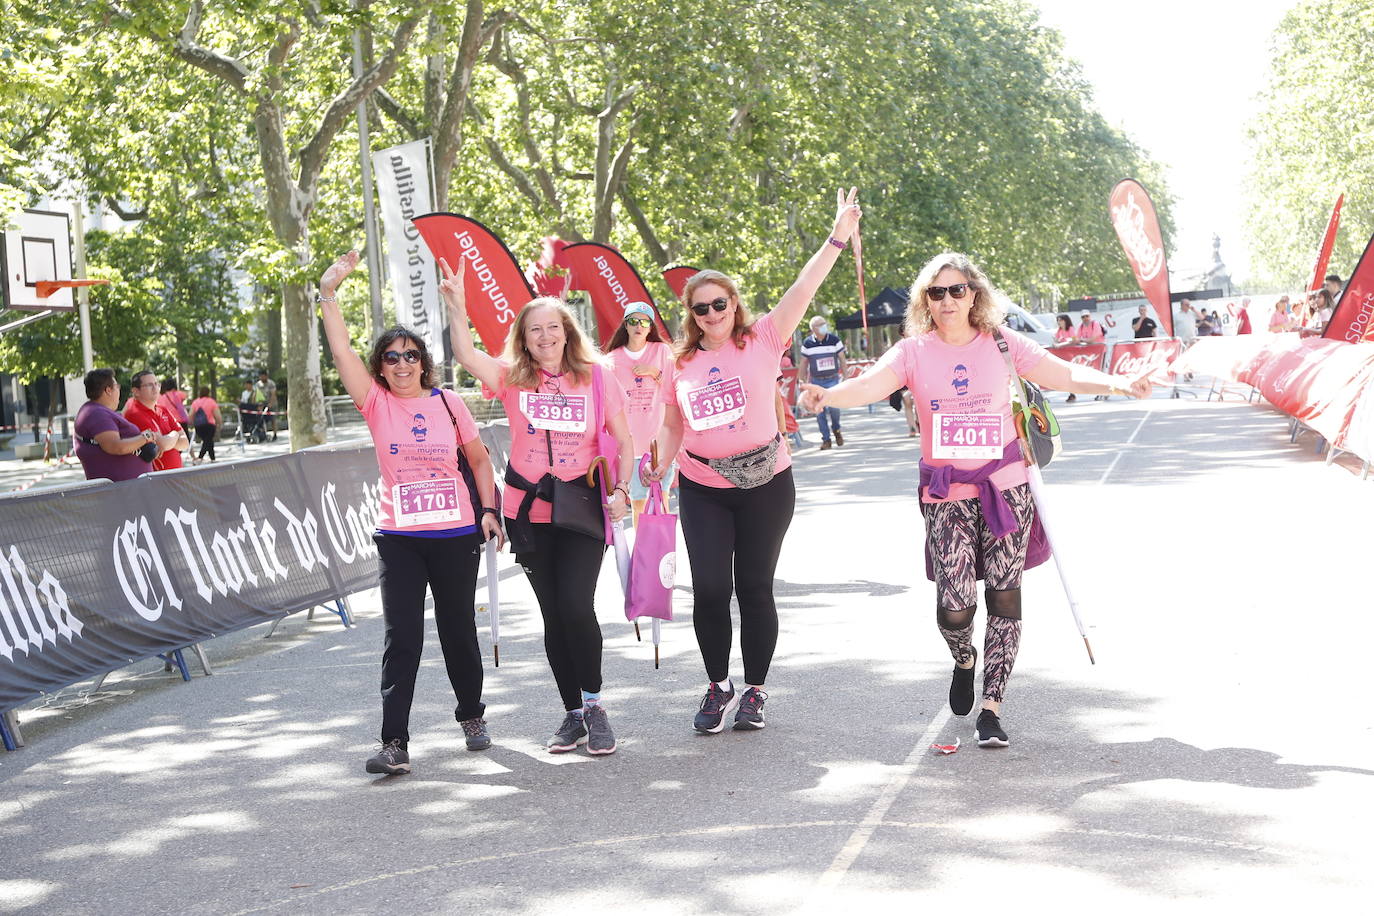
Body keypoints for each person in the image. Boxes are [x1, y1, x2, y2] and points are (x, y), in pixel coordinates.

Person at [801, 251, 1149, 748]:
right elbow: (869, 385)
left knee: (1005, 595)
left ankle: (992, 705)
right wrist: (828, 396)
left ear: (974, 294)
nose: (946, 300)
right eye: (935, 292)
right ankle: (964, 658)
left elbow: (1063, 375)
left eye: (956, 290)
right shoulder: (913, 351)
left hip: (1006, 489)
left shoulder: (1004, 344)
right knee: (956, 604)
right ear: (925, 300)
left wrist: (1120, 382)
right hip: (946, 494)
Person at [648, 188, 862, 735]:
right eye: (702, 307)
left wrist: (839, 233)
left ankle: (755, 692)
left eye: (721, 304)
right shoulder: (680, 361)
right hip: (701, 485)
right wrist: (658, 467)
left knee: (754, 589)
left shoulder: (764, 336)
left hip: (767, 481)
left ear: (734, 306)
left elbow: (805, 286)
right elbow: (673, 424)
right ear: (691, 315)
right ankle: (718, 685)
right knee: (712, 588)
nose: (713, 313)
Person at [319, 251, 503, 777]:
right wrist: (329, 294)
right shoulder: (376, 403)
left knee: (457, 630)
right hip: (399, 536)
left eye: (411, 356)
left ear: (423, 362)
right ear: (381, 367)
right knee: (403, 637)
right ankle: (394, 742)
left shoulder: (448, 403)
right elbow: (340, 353)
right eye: (392, 357)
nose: (402, 364)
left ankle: (472, 715)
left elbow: (479, 459)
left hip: (455, 533)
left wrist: (489, 511)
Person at [441, 256, 633, 758]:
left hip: (581, 504)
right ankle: (572, 713)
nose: (545, 336)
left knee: (576, 605)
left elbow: (623, 439)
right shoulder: (511, 377)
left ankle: (595, 706)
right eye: (534, 330)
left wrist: (620, 490)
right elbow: (464, 354)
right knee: (553, 613)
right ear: (523, 340)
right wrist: (458, 307)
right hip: (527, 510)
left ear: (567, 333)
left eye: (553, 327)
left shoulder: (596, 376)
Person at [605, 301, 674, 521]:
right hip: (630, 445)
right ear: (626, 325)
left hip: (659, 443)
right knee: (638, 501)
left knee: (661, 499)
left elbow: (675, 386)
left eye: (644, 322)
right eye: (634, 321)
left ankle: (663, 551)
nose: (639, 326)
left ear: (651, 327)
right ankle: (644, 551)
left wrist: (654, 372)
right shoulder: (611, 360)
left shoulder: (661, 351)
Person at [73, 368, 171, 483]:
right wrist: (146, 437)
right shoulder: (97, 414)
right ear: (108, 390)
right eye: (117, 386)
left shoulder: (96, 411)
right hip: (121, 491)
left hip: (127, 489)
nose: (119, 390)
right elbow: (115, 446)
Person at [798, 314, 847, 449]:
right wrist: (801, 380)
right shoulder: (807, 343)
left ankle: (836, 429)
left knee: (834, 408)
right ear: (813, 329)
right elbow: (803, 363)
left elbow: (842, 359)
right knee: (819, 411)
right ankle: (826, 440)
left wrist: (846, 378)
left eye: (824, 323)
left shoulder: (834, 340)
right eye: (821, 324)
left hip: (833, 380)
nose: (824, 326)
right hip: (816, 381)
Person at [124, 371, 187, 471]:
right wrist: (175, 434)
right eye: (149, 385)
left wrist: (170, 438)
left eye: (156, 384)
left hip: (174, 475)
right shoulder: (134, 413)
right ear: (136, 391)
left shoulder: (163, 409)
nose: (155, 388)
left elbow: (185, 443)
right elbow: (162, 444)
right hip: (157, 478)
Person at [188, 387, 221, 463]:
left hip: (199, 426)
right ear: (208, 393)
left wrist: (191, 423)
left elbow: (190, 415)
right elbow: (217, 415)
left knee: (208, 441)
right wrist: (219, 423)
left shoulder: (195, 402)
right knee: (207, 440)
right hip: (210, 425)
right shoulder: (211, 402)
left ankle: (213, 458)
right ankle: (200, 457)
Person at [254, 369, 279, 441]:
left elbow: (273, 394)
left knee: (273, 419)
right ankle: (264, 434)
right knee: (263, 419)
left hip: (272, 403)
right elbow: (257, 395)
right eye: (260, 376)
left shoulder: (271, 383)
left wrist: (270, 403)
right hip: (262, 403)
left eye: (263, 376)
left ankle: (275, 434)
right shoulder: (258, 384)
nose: (262, 378)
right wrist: (259, 404)